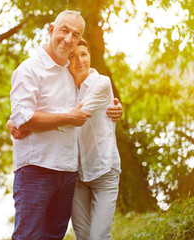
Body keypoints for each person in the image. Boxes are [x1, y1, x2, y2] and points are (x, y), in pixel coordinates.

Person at [9, 10, 123, 240]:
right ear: (51, 30)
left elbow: (97, 92)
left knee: (54, 235)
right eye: (64, 30)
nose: (69, 39)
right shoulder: (29, 69)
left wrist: (116, 108)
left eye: (76, 34)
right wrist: (16, 121)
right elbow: (22, 116)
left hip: (69, 172)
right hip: (36, 169)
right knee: (28, 236)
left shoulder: (72, 73)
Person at [69, 39, 120, 240]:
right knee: (82, 236)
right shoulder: (65, 87)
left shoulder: (102, 83)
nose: (79, 60)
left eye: (83, 54)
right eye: (72, 56)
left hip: (104, 169)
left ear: (90, 56)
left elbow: (76, 116)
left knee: (98, 236)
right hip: (77, 174)